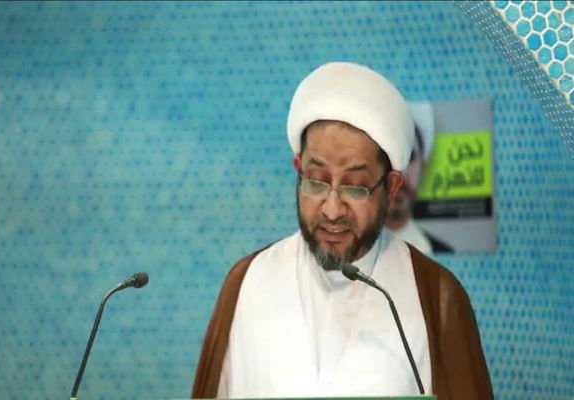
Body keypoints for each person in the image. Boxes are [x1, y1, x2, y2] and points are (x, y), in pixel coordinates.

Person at [192, 62, 493, 399]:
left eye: (355, 186)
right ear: (298, 168)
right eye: (316, 181)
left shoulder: (435, 295)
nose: (332, 209)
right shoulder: (247, 282)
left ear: (391, 187)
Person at [385, 102, 454, 254]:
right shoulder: (350, 253)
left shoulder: (440, 252)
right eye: (390, 158)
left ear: (422, 168)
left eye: (410, 157)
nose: (400, 173)